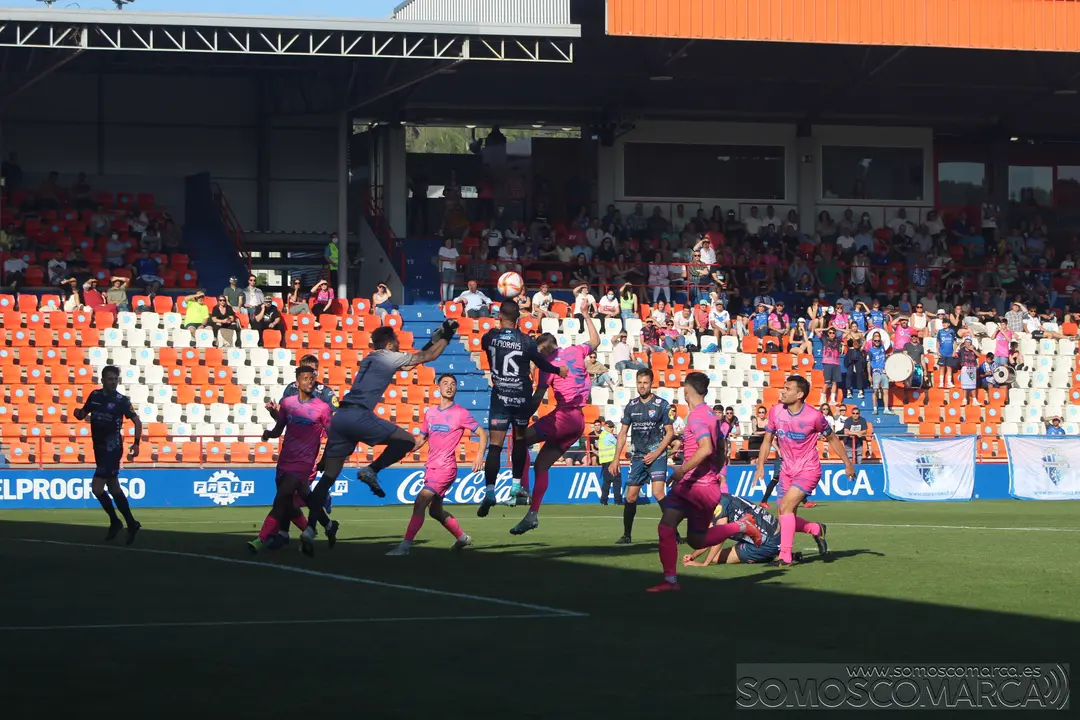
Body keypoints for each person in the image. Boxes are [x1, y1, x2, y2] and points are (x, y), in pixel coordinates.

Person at [299, 321, 458, 555]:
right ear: (391, 344)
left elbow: (408, 365)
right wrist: (448, 334)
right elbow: (430, 357)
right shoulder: (389, 355)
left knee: (327, 479)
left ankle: (310, 529)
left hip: (340, 417)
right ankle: (372, 469)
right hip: (359, 415)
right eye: (398, 344)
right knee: (406, 441)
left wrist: (433, 338)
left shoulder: (370, 357)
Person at [647, 372, 762, 593]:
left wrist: (681, 471)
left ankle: (741, 526)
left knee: (685, 535)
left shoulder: (697, 417)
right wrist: (715, 472)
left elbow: (706, 447)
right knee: (682, 534)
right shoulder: (712, 416)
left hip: (696, 486)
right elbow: (720, 448)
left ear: (685, 391)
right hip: (700, 485)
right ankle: (670, 581)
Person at [508, 307, 601, 534]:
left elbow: (538, 398)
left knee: (520, 438)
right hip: (579, 421)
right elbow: (596, 341)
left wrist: (522, 415)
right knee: (541, 465)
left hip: (564, 416)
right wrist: (586, 315)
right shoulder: (576, 351)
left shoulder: (548, 368)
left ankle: (521, 489)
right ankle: (532, 515)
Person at [476, 302, 568, 517]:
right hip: (520, 399)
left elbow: (490, 346)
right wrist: (558, 369)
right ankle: (516, 486)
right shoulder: (526, 341)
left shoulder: (489, 338)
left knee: (495, 446)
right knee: (518, 441)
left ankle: (490, 490)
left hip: (500, 398)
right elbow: (542, 364)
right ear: (518, 318)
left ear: (499, 316)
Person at [754, 376, 853, 568]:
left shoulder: (814, 416)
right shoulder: (776, 412)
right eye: (783, 387)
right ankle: (816, 529)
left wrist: (847, 463)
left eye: (787, 388)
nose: (782, 391)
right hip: (786, 470)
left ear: (799, 394)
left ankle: (785, 556)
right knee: (784, 517)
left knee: (785, 509)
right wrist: (760, 466)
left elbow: (832, 439)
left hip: (808, 470)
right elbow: (767, 440)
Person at [386, 374, 486, 555]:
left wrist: (479, 456)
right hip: (431, 467)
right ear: (438, 388)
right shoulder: (430, 413)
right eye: (445, 383)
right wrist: (405, 448)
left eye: (453, 384)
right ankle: (462, 538)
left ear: (456, 389)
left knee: (420, 500)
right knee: (435, 511)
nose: (449, 387)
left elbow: (482, 433)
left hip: (446, 468)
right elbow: (422, 438)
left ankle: (405, 546)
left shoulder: (460, 413)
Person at [248, 366, 334, 556]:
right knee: (294, 500)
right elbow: (280, 427)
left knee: (282, 497)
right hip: (285, 459)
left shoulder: (322, 408)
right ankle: (324, 526)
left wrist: (324, 459)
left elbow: (333, 436)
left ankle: (261, 539)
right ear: (297, 382)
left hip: (304, 462)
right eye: (305, 378)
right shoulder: (288, 403)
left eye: (312, 378)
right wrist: (269, 434)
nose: (310, 382)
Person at [266, 352, 339, 532]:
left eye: (313, 372)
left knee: (286, 495)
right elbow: (282, 419)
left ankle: (281, 534)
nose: (311, 376)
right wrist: (273, 413)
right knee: (297, 494)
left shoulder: (325, 394)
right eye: (306, 372)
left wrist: (326, 456)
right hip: (290, 449)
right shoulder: (291, 390)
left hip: (310, 451)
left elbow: (334, 425)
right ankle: (327, 524)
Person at [72, 365, 142, 544]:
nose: (113, 382)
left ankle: (115, 521)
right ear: (102, 379)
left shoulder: (122, 401)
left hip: (113, 448)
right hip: (99, 448)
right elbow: (83, 413)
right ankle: (131, 523)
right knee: (114, 488)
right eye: (109, 378)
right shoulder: (94, 396)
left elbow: (137, 421)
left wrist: (136, 444)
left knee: (96, 488)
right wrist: (77, 414)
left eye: (115, 379)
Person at [608, 368, 675, 544]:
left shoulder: (662, 405)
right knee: (630, 496)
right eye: (639, 383)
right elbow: (622, 433)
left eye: (645, 383)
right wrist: (616, 459)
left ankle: (673, 532)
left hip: (657, 455)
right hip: (638, 457)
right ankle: (627, 535)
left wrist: (656, 453)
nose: (642, 386)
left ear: (651, 384)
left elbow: (670, 433)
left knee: (658, 492)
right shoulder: (631, 406)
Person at [681, 494, 783, 567]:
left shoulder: (719, 507)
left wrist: (704, 563)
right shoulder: (721, 498)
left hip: (767, 542)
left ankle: (772, 554)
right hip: (775, 533)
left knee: (715, 557)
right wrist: (693, 556)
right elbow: (710, 537)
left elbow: (719, 536)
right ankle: (780, 552)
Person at [596, 420, 621, 505]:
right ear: (606, 426)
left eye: (613, 427)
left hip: (604, 462)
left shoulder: (602, 435)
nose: (612, 429)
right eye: (610, 427)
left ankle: (603, 501)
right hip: (612, 461)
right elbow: (619, 444)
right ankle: (618, 501)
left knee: (606, 482)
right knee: (617, 481)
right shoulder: (609, 435)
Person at [866, 333, 891, 415]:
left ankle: (886, 408)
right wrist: (869, 375)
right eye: (875, 340)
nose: (877, 342)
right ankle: (875, 408)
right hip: (876, 371)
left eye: (878, 340)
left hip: (884, 371)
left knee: (886, 390)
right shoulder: (870, 351)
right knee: (875, 390)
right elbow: (868, 363)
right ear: (872, 341)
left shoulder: (883, 347)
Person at [820, 326, 844, 405]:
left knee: (834, 382)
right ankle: (822, 400)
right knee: (826, 382)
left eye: (833, 333)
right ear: (828, 334)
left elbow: (848, 332)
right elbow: (816, 330)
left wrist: (837, 329)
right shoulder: (824, 339)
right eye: (830, 333)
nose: (832, 334)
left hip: (836, 363)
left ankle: (832, 400)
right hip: (827, 363)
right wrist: (826, 328)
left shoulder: (838, 340)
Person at [957, 337, 980, 406]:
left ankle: (974, 399)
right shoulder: (961, 350)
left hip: (972, 368)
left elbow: (979, 355)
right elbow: (956, 356)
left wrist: (973, 349)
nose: (967, 344)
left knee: (973, 385)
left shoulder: (973, 349)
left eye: (968, 342)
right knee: (965, 385)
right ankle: (964, 399)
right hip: (965, 367)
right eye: (966, 342)